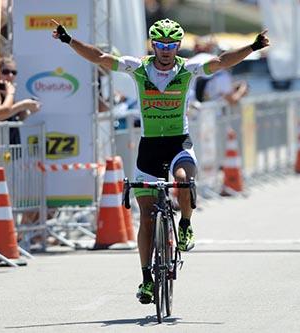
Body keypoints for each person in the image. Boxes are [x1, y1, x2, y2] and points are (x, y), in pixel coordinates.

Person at [52, 18, 269, 304]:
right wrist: (69, 40)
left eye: (171, 45)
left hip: (179, 143)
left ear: (178, 46)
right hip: (149, 148)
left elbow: (221, 61)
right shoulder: (138, 67)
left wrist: (252, 47)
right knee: (146, 218)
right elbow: (100, 57)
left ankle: (185, 225)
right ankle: (146, 280)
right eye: (160, 44)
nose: (166, 50)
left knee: (182, 179)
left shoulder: (187, 68)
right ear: (153, 45)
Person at [0, 56, 40, 148]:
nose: (10, 75)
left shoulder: (9, 91)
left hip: (10, 145)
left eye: (13, 72)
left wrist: (28, 110)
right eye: (5, 72)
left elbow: (13, 118)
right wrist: (22, 105)